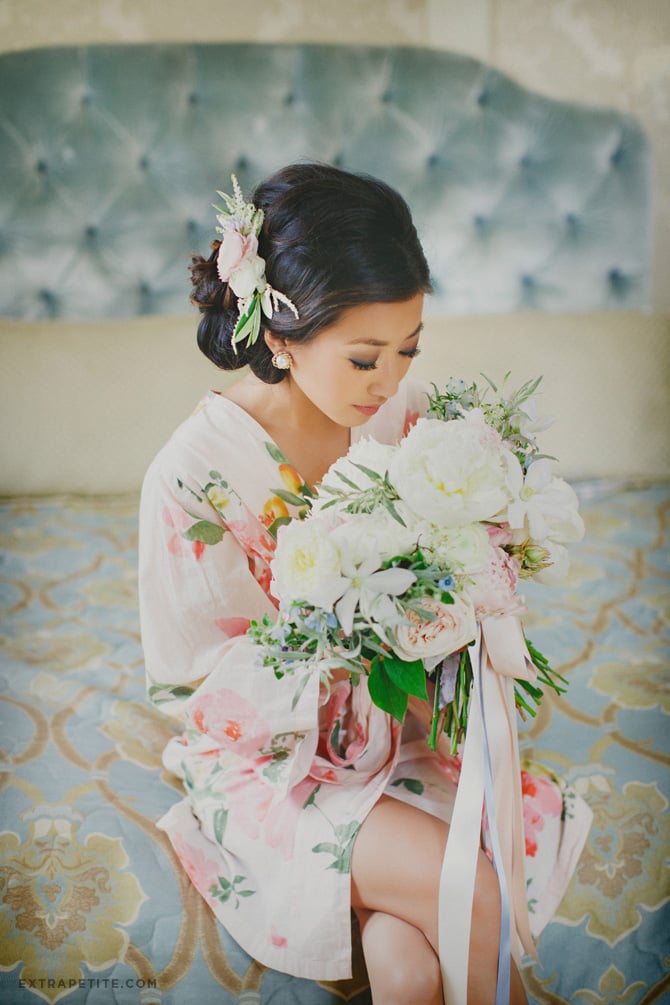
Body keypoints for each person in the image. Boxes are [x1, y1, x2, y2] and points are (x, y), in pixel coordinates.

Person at [139, 163, 589, 1004]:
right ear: (281, 335)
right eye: (363, 357)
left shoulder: (398, 414)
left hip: (404, 729)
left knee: (409, 965)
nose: (388, 380)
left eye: (407, 349)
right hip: (276, 762)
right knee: (474, 893)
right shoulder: (191, 477)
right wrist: (352, 632)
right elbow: (196, 681)